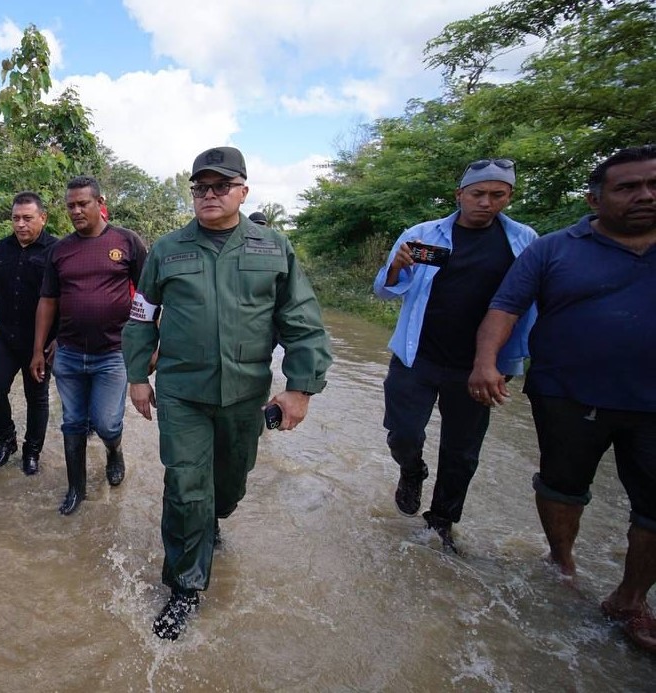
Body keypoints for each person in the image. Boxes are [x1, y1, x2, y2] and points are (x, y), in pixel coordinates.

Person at [123, 146, 333, 641]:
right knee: (186, 486)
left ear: (243, 191)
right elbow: (141, 316)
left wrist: (300, 389)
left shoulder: (273, 248)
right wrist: (137, 376)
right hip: (182, 393)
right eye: (201, 187)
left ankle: (212, 520)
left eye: (221, 186)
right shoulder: (167, 251)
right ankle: (184, 587)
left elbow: (301, 322)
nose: (209, 195)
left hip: (245, 396)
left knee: (228, 486)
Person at [469, 146, 656, 654]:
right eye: (628, 187)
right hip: (568, 393)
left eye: (653, 185)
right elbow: (505, 307)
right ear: (595, 199)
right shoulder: (552, 249)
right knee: (562, 483)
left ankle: (631, 598)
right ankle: (562, 560)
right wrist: (486, 362)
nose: (644, 195)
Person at [373, 158, 538, 549]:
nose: (486, 202)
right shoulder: (422, 234)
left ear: (509, 197)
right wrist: (396, 267)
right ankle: (412, 470)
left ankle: (441, 522)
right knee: (402, 434)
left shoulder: (524, 241)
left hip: (480, 365)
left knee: (462, 452)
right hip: (416, 357)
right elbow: (385, 290)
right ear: (459, 195)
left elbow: (530, 302)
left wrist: (511, 362)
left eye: (497, 195)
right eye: (478, 193)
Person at [30, 176, 147, 514]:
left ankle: (114, 450)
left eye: (83, 203)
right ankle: (76, 490)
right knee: (73, 421)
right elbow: (48, 301)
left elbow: (148, 296)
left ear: (100, 203)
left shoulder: (127, 242)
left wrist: (150, 344)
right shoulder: (59, 250)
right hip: (68, 353)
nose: (76, 211)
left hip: (113, 353)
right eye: (71, 206)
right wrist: (38, 349)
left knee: (107, 423)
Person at [0, 192, 58, 474]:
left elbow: (69, 296)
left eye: (27, 218)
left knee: (37, 397)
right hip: (3, 335)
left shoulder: (57, 250)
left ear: (42, 218)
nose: (20, 224)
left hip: (40, 341)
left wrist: (60, 337)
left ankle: (32, 451)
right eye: (16, 218)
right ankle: (6, 439)